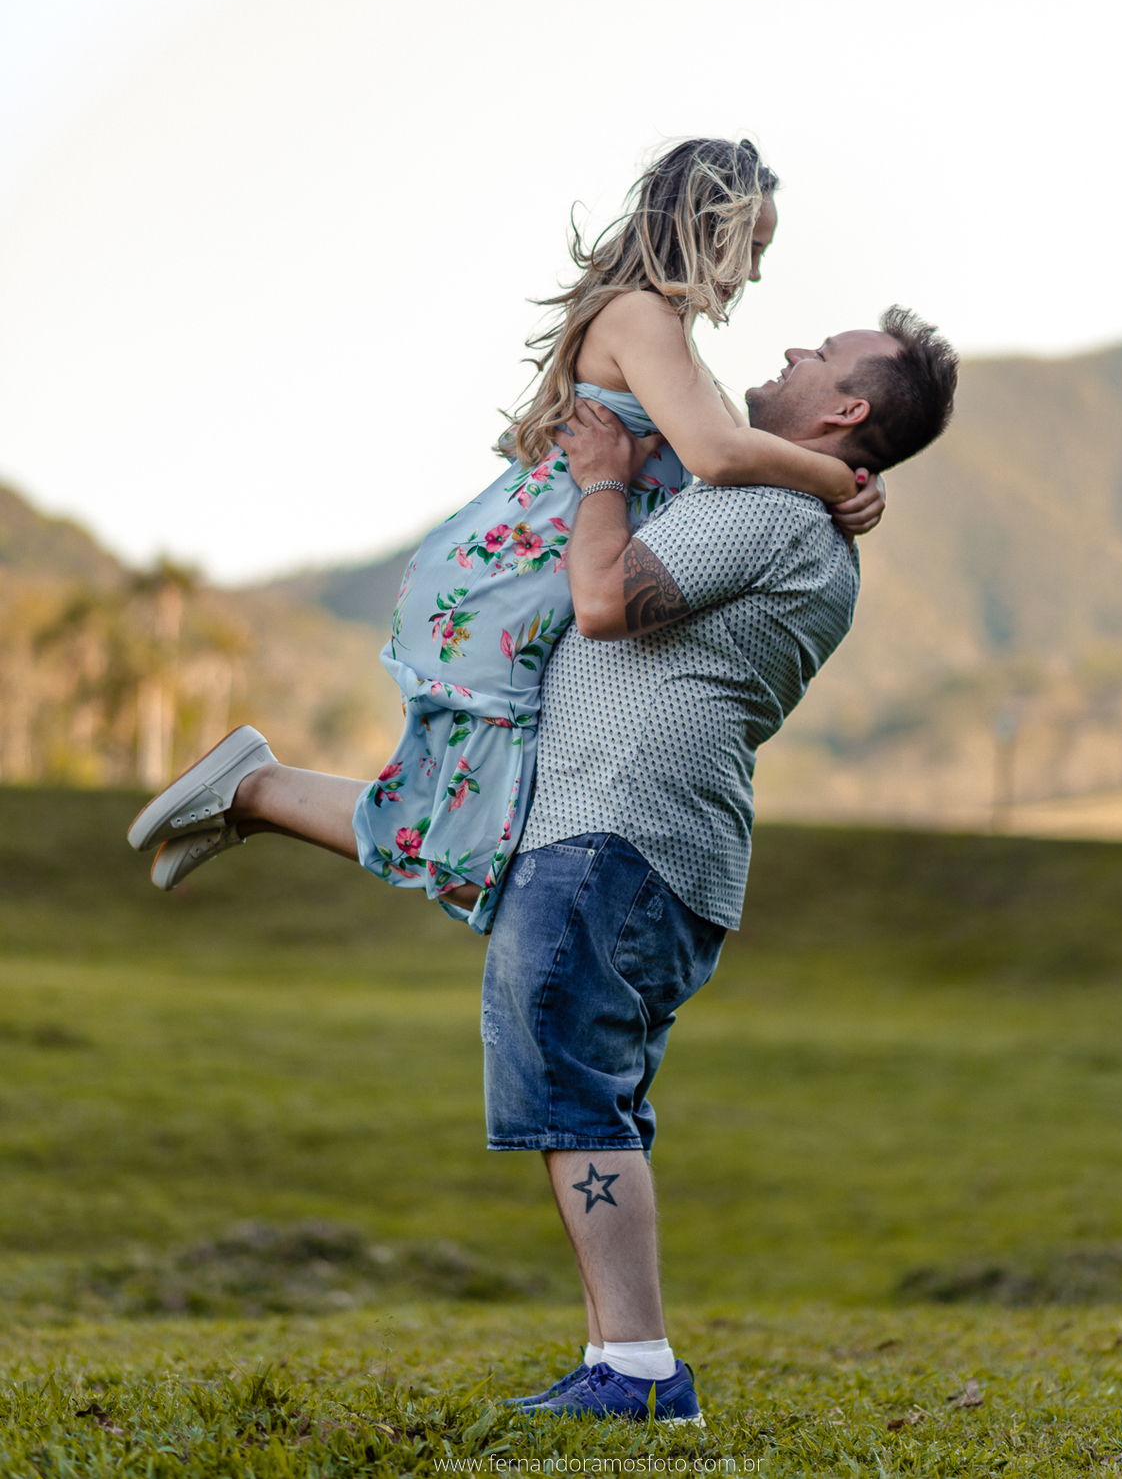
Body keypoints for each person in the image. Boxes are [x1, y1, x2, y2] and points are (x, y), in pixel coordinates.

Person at [124, 307, 957, 1423]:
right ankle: (258, 791)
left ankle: (641, 1372)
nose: (795, 347)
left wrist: (608, 473)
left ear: (846, 409)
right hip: (638, 839)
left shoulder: (769, 509)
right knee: (585, 1089)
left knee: (575, 1096)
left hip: (616, 834)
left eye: (823, 354)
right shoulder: (799, 511)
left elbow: (605, 601)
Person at [129, 138, 884, 923]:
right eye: (752, 248)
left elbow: (758, 454)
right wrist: (842, 481)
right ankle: (257, 790)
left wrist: (866, 476)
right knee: (465, 862)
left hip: (516, 594)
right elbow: (719, 454)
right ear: (708, 226)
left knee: (461, 842)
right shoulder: (640, 317)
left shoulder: (681, 354)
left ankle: (253, 797)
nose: (754, 275)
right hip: (501, 594)